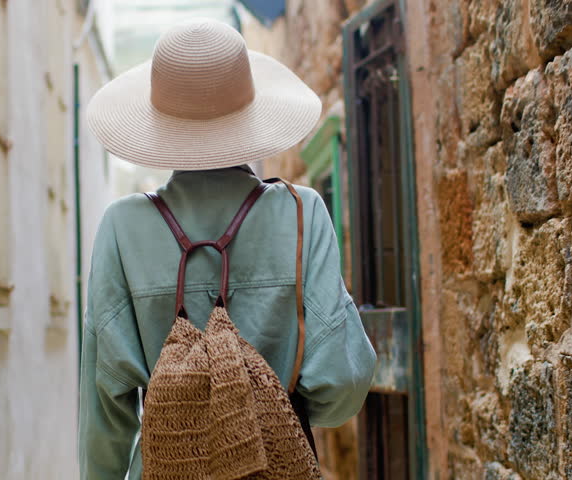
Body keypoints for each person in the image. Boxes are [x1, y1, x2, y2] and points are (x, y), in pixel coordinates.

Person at [78, 18, 376, 479]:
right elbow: (342, 381)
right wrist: (264, 405)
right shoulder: (304, 213)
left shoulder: (122, 226)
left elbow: (105, 409)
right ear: (250, 115)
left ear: (161, 124)